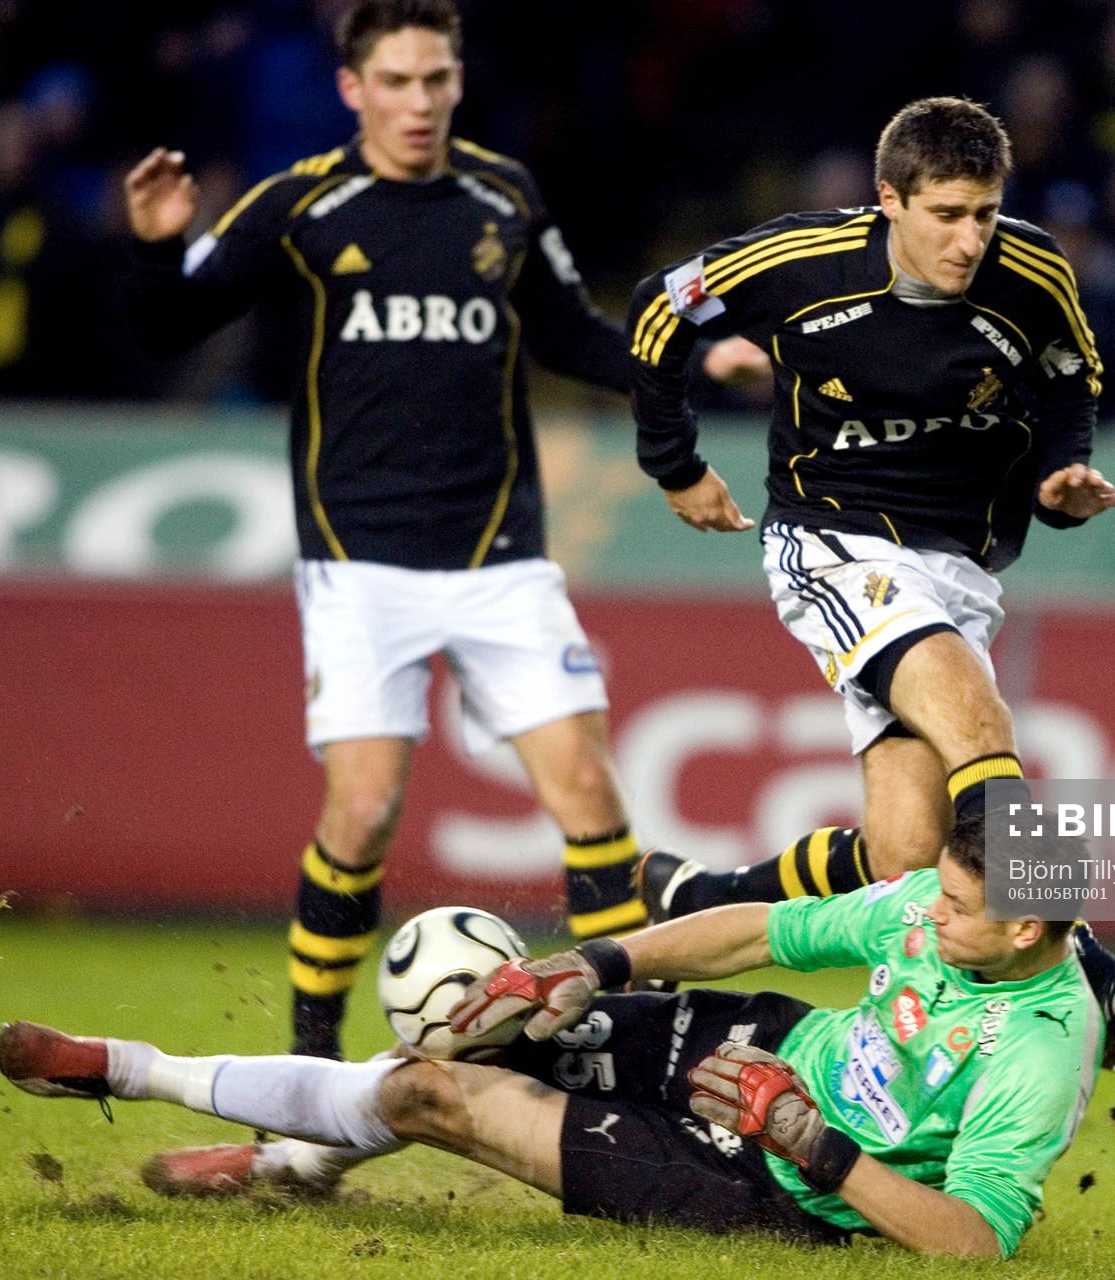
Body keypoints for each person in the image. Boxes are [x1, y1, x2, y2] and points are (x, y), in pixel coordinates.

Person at [120, 0, 762, 1058]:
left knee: (591, 790)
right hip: (358, 560)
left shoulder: (501, 196)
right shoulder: (302, 202)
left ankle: (631, 1051)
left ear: (458, 81)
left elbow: (569, 335)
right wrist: (155, 251)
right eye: (398, 82)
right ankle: (311, 1072)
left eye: (437, 80)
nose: (419, 102)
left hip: (497, 556)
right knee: (365, 812)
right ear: (352, 89)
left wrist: (688, 358)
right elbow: (166, 326)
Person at [623, 96, 1115, 1063]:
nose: (970, 240)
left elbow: (1065, 383)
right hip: (830, 537)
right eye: (947, 215)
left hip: (956, 559)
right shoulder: (794, 261)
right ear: (888, 199)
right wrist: (675, 466)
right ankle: (1092, 971)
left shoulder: (1032, 267)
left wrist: (1060, 481)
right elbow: (656, 313)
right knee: (977, 723)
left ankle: (699, 899)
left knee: (904, 851)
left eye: (985, 214)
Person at [0, 818, 1115, 1257]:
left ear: (1039, 923)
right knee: (504, 1019)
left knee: (432, 1092)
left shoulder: (1038, 1052)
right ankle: (292, 1159)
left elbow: (977, 1243)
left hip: (770, 1175)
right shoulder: (928, 909)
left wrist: (807, 1141)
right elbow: (757, 932)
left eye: (955, 908)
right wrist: (597, 961)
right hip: (765, 1048)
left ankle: (133, 1070)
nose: (928, 915)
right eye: (933, 894)